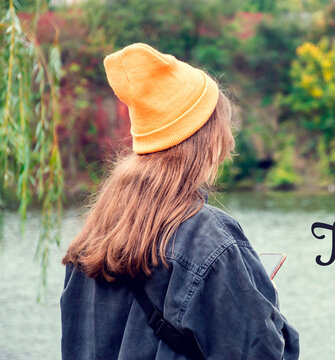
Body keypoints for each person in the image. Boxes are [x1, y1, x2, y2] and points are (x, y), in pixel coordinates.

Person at [60, 43, 300, 360]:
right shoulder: (210, 238)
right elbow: (265, 352)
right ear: (207, 138)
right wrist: (257, 298)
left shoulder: (91, 239)